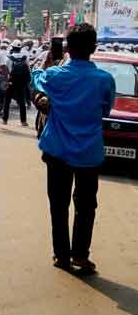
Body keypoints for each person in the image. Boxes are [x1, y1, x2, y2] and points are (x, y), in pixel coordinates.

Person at [31, 23, 115, 274]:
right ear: (94, 48)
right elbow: (105, 110)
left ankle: (61, 256)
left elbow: (37, 77)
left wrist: (55, 67)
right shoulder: (104, 80)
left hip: (57, 149)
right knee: (86, 205)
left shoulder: (55, 76)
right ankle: (80, 256)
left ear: (68, 47)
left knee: (58, 204)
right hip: (89, 152)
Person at [3, 40, 31, 126]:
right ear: (20, 48)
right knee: (22, 102)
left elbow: (6, 71)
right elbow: (28, 70)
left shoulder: (8, 58)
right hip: (21, 82)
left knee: (7, 101)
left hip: (11, 81)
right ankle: (23, 121)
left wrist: (6, 81)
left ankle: (5, 120)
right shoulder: (25, 57)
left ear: (12, 47)